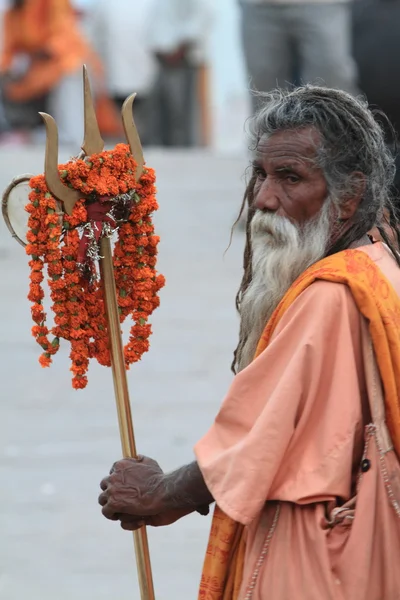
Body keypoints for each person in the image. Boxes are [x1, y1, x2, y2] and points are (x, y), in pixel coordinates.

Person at [98, 86, 400, 599]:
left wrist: (159, 493)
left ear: (349, 194)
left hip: (318, 561)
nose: (263, 199)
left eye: (290, 178)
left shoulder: (331, 294)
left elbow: (254, 441)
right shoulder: (380, 260)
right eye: (260, 174)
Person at [0, 0, 102, 145]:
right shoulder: (12, 12)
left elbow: (64, 38)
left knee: (72, 72)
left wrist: (39, 55)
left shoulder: (52, 3)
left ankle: (67, 135)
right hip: (37, 71)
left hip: (67, 63)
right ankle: (25, 131)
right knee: (11, 84)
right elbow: (8, 52)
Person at [239, 0, 358, 114]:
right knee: (263, 85)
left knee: (330, 79)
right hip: (260, 6)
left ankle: (338, 133)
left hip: (324, 5)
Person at [146, 0, 213, 147]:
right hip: (162, 60)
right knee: (160, 114)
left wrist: (179, 49)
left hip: (183, 60)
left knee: (182, 116)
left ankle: (184, 151)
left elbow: (198, 22)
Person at [89, 0, 156, 145]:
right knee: (133, 125)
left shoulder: (105, 5)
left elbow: (93, 39)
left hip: (118, 77)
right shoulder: (150, 5)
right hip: (140, 78)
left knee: (122, 125)